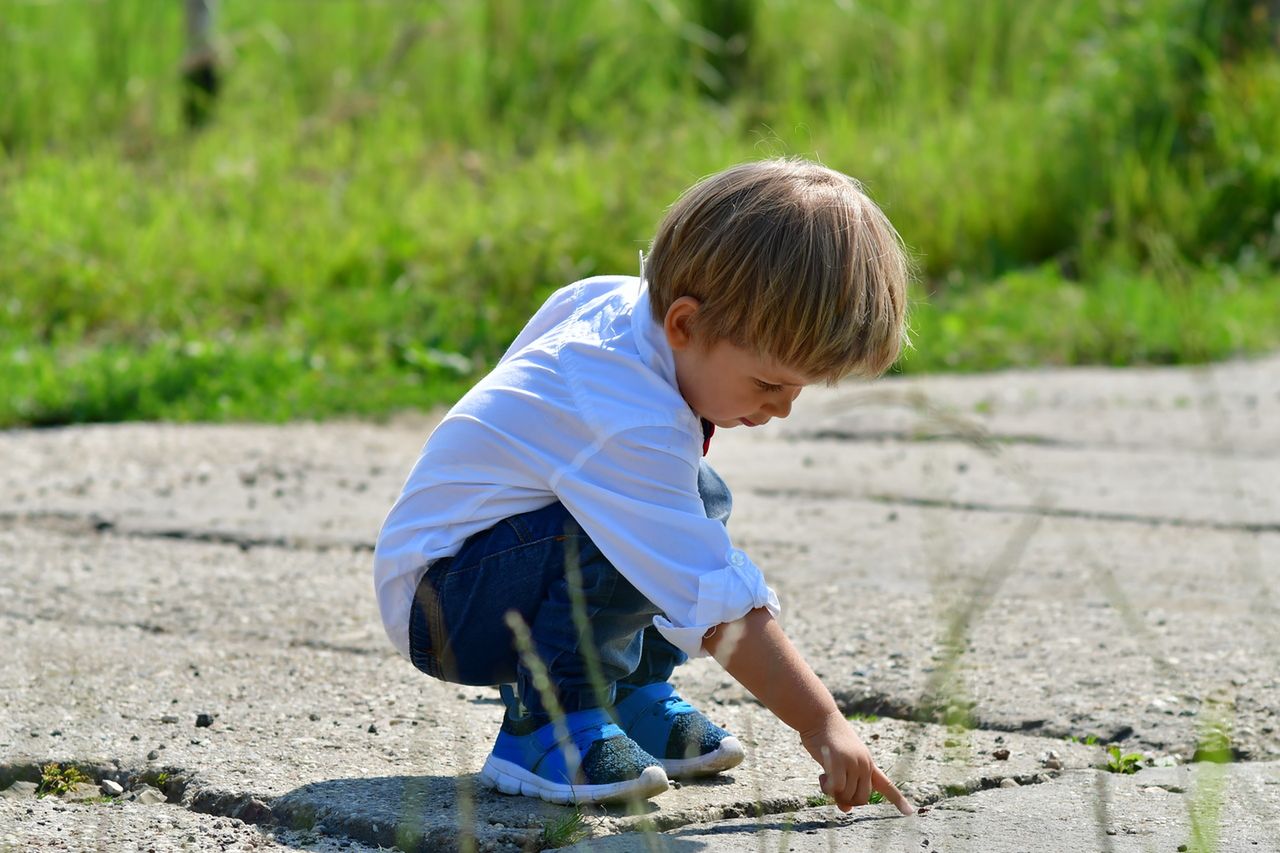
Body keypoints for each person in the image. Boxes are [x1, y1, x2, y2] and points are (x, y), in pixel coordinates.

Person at [373, 158, 914, 813]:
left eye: (800, 389)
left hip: (481, 569)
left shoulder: (617, 302)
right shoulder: (625, 420)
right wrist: (821, 722)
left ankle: (626, 693)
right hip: (443, 609)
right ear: (684, 325)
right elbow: (712, 600)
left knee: (698, 497)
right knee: (628, 530)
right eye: (770, 383)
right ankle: (549, 725)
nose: (782, 408)